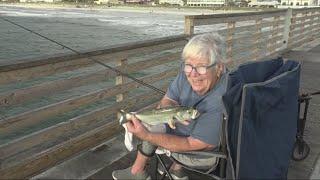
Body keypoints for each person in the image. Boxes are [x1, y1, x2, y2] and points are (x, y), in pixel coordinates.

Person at [112, 32, 227, 180]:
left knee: (149, 134)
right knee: (149, 125)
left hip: (199, 154)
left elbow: (191, 144)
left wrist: (147, 136)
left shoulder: (222, 100)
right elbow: (168, 99)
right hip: (180, 131)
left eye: (202, 67)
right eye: (189, 66)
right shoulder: (188, 72)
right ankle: (163, 170)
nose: (193, 74)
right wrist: (168, 111)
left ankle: (150, 170)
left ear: (219, 68)